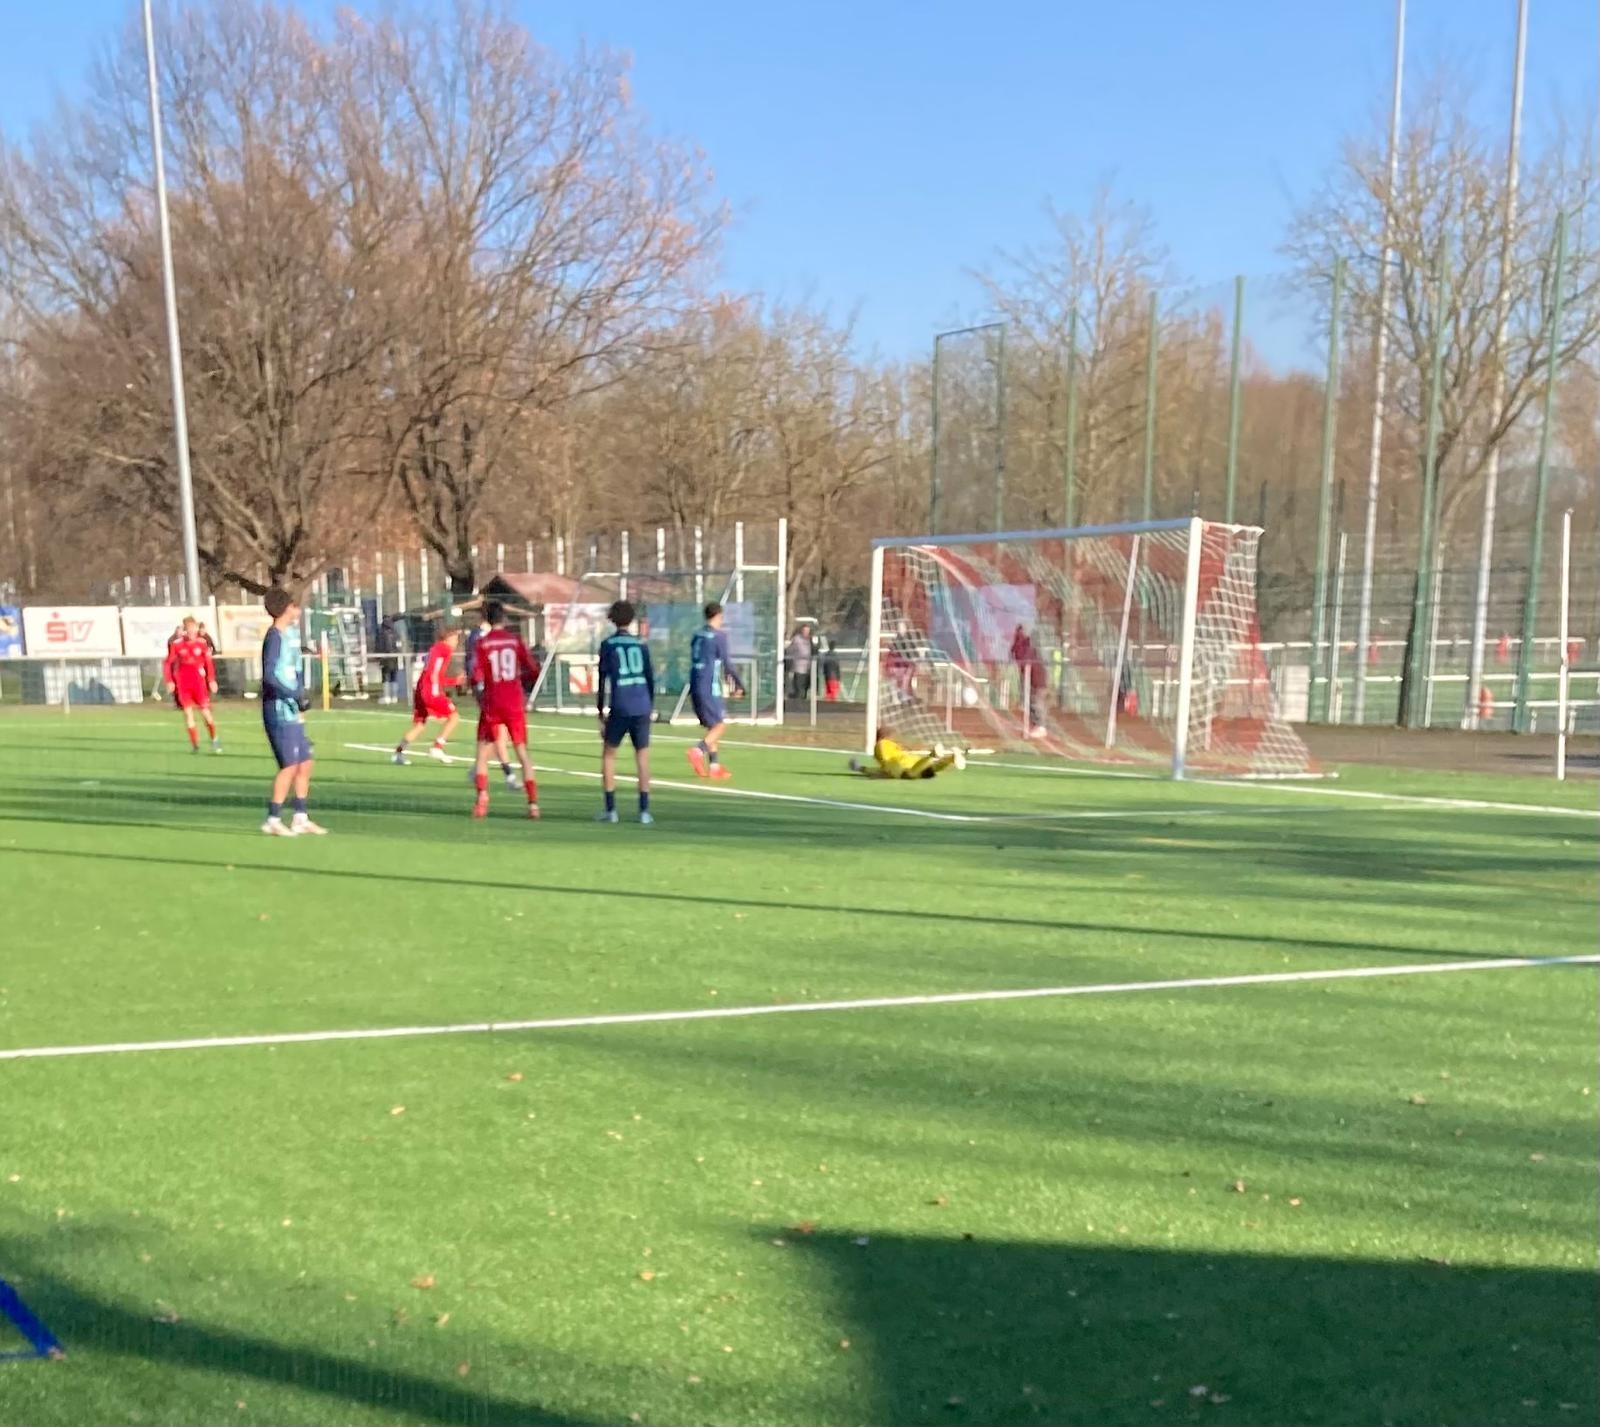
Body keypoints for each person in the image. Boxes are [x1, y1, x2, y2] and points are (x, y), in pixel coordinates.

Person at [260, 588, 324, 836]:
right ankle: (273, 819)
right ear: (287, 608)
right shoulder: (274, 637)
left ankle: (300, 817)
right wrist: (292, 695)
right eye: (295, 606)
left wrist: (300, 698)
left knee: (305, 762)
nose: (298, 611)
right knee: (289, 765)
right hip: (278, 709)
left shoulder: (290, 635)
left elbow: (295, 670)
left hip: (292, 708)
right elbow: (269, 676)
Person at [469, 602, 541, 819]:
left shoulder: (483, 643)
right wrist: (520, 681)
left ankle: (482, 797)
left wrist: (479, 695)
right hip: (513, 701)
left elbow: (476, 675)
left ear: (486, 619)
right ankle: (533, 804)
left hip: (492, 701)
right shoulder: (515, 640)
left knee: (482, 754)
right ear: (504, 618)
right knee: (522, 752)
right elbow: (533, 669)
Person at [595, 599, 655, 825]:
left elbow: (602, 680)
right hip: (642, 705)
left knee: (609, 754)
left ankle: (611, 810)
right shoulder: (641, 644)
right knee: (642, 756)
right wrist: (650, 705)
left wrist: (600, 711)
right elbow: (650, 677)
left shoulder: (608, 645)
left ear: (613, 619)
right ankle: (644, 811)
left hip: (621, 704)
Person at [686, 601, 744, 780]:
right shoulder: (719, 636)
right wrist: (739, 685)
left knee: (712, 727)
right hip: (709, 686)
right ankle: (698, 750)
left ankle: (714, 767)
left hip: (695, 684)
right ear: (719, 616)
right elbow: (727, 663)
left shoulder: (697, 635)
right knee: (720, 725)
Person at [466, 606, 520, 789]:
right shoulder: (480, 636)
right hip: (489, 691)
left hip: (496, 691)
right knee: (498, 733)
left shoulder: (485, 636)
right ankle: (509, 776)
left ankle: (478, 769)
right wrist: (480, 687)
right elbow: (475, 664)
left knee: (495, 734)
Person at [393, 627, 464, 764]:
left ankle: (398, 753)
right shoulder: (445, 649)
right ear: (447, 638)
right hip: (431, 691)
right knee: (454, 717)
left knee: (420, 725)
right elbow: (435, 675)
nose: (456, 642)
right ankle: (437, 747)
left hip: (421, 689)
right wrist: (455, 681)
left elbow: (431, 672)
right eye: (455, 639)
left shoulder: (434, 648)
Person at [164, 614, 220, 753]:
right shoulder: (177, 645)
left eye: (193, 628)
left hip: (198, 683)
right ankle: (195, 745)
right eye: (188, 629)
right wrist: (170, 681)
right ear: (185, 629)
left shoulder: (202, 643)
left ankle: (214, 739)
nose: (191, 631)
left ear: (196, 628)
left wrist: (211, 680)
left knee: (206, 713)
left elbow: (208, 663)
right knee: (188, 714)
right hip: (183, 683)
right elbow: (168, 663)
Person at [849, 730, 962, 780]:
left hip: (899, 764)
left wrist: (860, 769)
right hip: (912, 760)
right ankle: (951, 759)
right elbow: (878, 770)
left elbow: (882, 767)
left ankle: (933, 756)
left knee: (910, 774)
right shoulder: (893, 745)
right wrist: (860, 768)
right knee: (930, 769)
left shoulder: (881, 745)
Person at [1011, 623, 1048, 739]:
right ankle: (1035, 725)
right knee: (1030, 703)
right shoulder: (1020, 647)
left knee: (1037, 703)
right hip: (1030, 679)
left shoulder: (1028, 648)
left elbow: (1026, 662)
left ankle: (1041, 727)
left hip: (1037, 679)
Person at [786, 625, 813, 702]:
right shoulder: (797, 639)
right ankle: (797, 702)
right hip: (798, 667)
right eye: (805, 631)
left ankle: (801, 699)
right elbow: (790, 650)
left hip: (807, 668)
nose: (806, 632)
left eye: (808, 631)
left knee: (805, 688)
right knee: (799, 687)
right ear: (801, 631)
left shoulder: (809, 640)